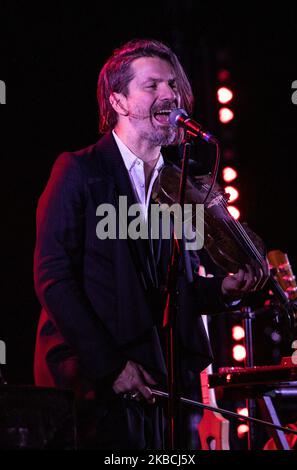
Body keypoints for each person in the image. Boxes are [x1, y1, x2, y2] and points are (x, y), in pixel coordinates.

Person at [33, 39, 264, 449]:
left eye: (172, 85)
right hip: (93, 386)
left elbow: (174, 288)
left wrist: (221, 291)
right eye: (152, 85)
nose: (170, 95)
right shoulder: (80, 171)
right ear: (118, 101)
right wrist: (111, 367)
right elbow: (53, 278)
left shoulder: (177, 184)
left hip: (161, 384)